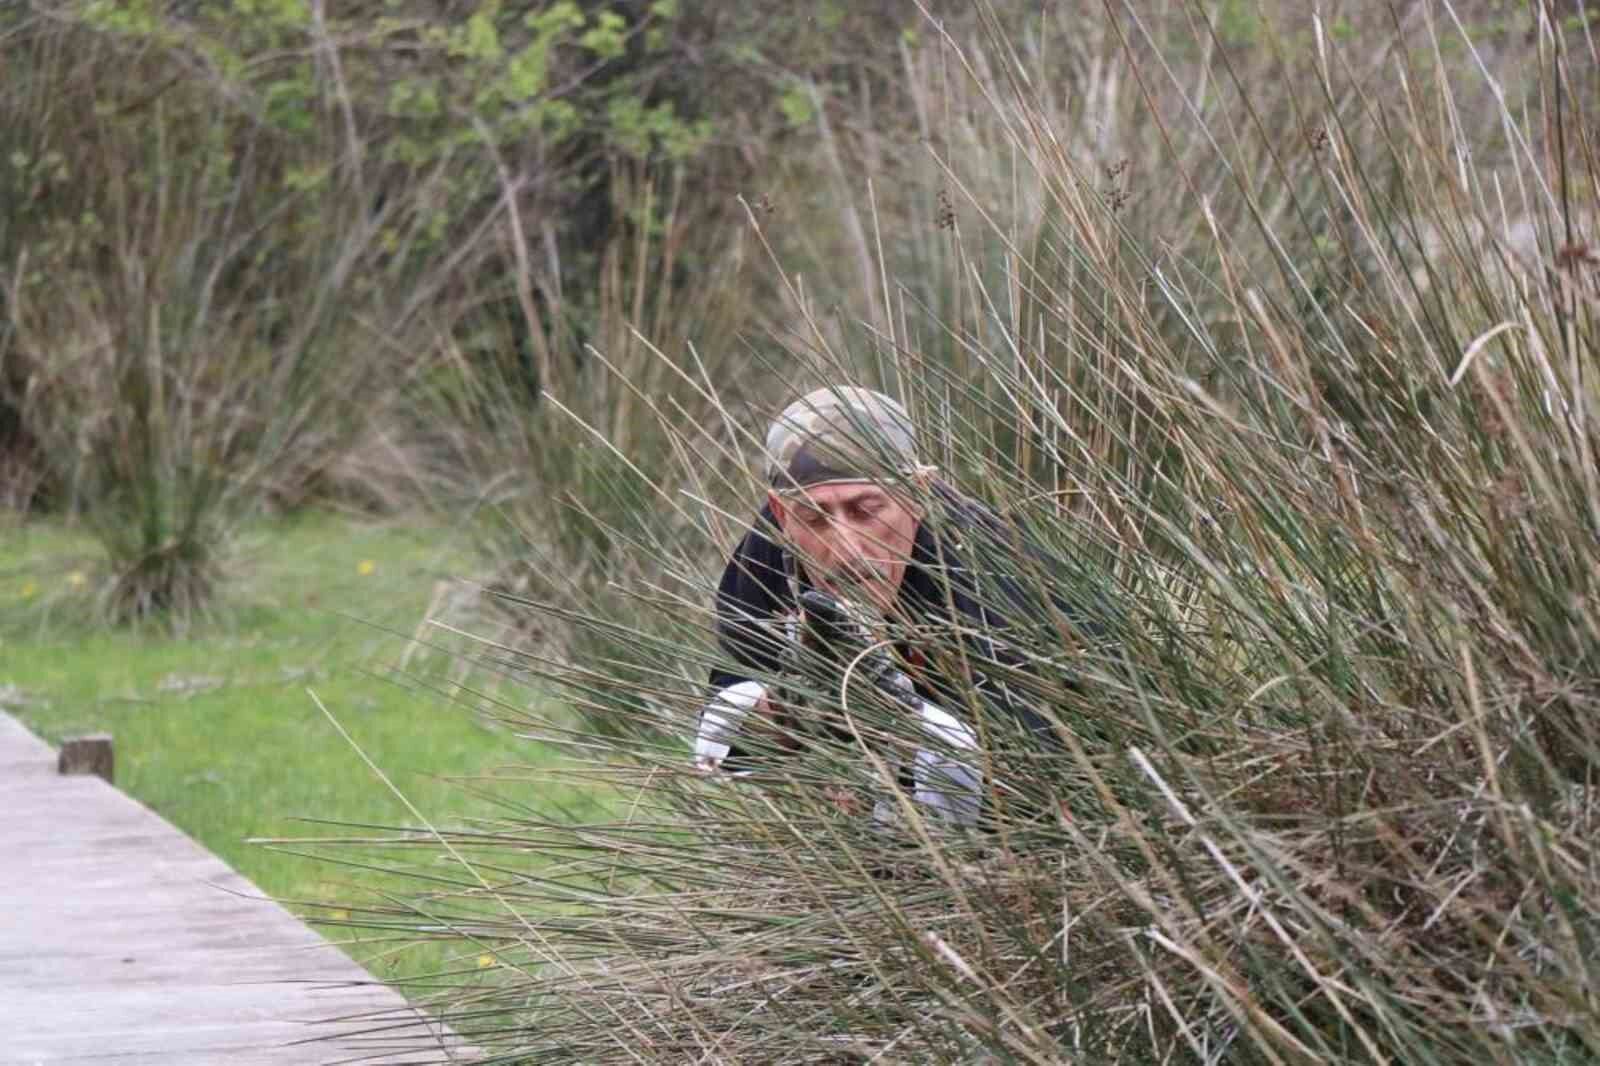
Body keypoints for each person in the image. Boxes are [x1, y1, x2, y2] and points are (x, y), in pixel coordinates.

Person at [693, 385, 1108, 827]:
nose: (847, 548)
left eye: (866, 510)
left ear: (917, 494)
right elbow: (722, 748)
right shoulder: (767, 552)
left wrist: (898, 717)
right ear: (780, 512)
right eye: (815, 518)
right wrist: (787, 710)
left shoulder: (989, 570)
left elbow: (1027, 785)